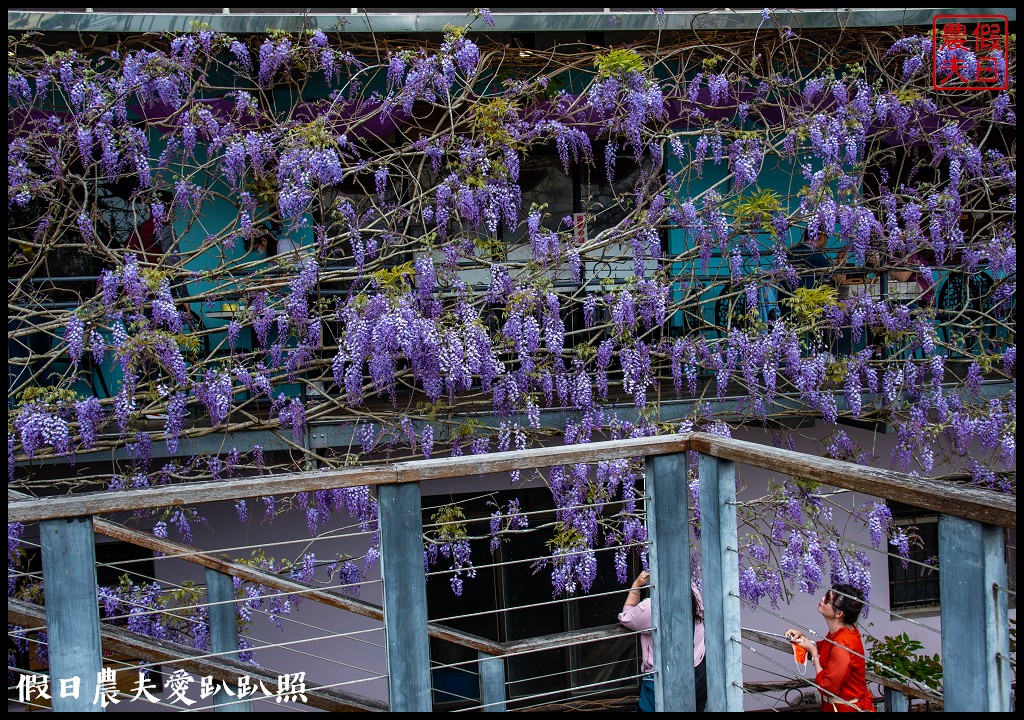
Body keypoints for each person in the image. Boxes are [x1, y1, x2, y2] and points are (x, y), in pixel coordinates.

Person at [618, 569, 707, 712]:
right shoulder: (693, 591)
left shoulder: (652, 608)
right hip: (698, 672)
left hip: (663, 680)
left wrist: (637, 584)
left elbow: (626, 617)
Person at [785, 584, 876, 712]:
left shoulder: (843, 643)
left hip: (847, 708)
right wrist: (803, 639)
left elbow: (827, 687)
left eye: (828, 599)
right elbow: (826, 647)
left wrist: (814, 653)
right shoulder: (842, 633)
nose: (822, 598)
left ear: (839, 613)